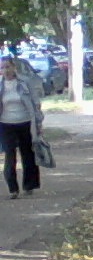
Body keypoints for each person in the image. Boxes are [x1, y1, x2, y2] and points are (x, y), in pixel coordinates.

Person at [1, 57, 44, 199]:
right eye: (2, 68)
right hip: (6, 124)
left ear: (14, 67)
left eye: (8, 67)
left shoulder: (25, 82)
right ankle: (13, 189)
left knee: (27, 154)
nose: (5, 70)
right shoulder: (0, 85)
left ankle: (29, 185)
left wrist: (38, 123)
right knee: (9, 155)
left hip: (25, 122)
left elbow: (36, 102)